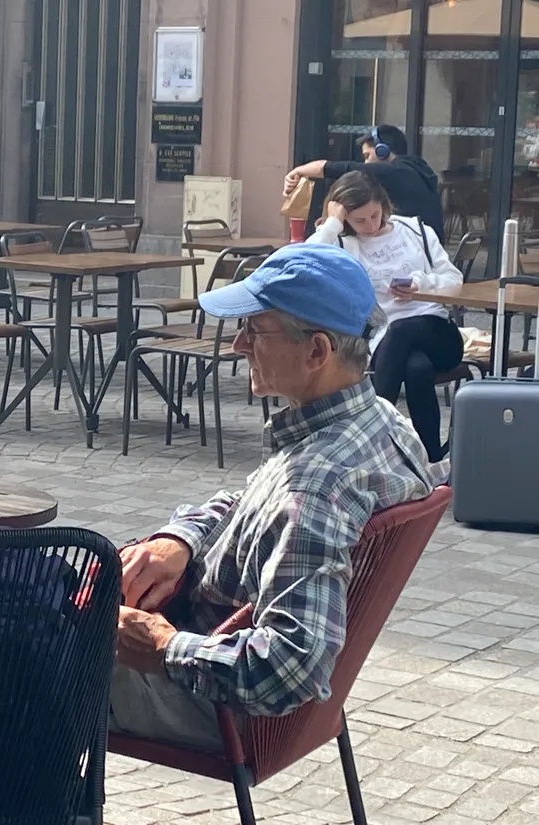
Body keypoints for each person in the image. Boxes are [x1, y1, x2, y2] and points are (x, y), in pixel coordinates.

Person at [110, 245, 441, 753]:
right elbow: (250, 501)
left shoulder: (314, 486)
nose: (239, 344)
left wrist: (160, 646)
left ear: (316, 351)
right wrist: (181, 540)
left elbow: (289, 666)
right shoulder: (380, 426)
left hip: (211, 706)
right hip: (215, 665)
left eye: (255, 330)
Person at [307, 171, 463, 463]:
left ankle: (368, 436)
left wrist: (421, 285)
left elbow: (454, 280)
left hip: (435, 330)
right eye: (359, 220)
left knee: (403, 330)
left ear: (384, 205)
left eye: (375, 215)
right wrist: (332, 223)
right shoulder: (343, 243)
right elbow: (306, 261)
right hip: (385, 343)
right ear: (345, 218)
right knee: (417, 368)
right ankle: (430, 460)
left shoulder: (414, 230)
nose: (369, 225)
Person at [284, 124, 445, 242]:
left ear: (383, 151)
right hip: (426, 247)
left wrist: (297, 171)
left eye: (367, 156)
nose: (366, 164)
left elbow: (332, 168)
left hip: (416, 251)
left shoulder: (394, 172)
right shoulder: (416, 169)